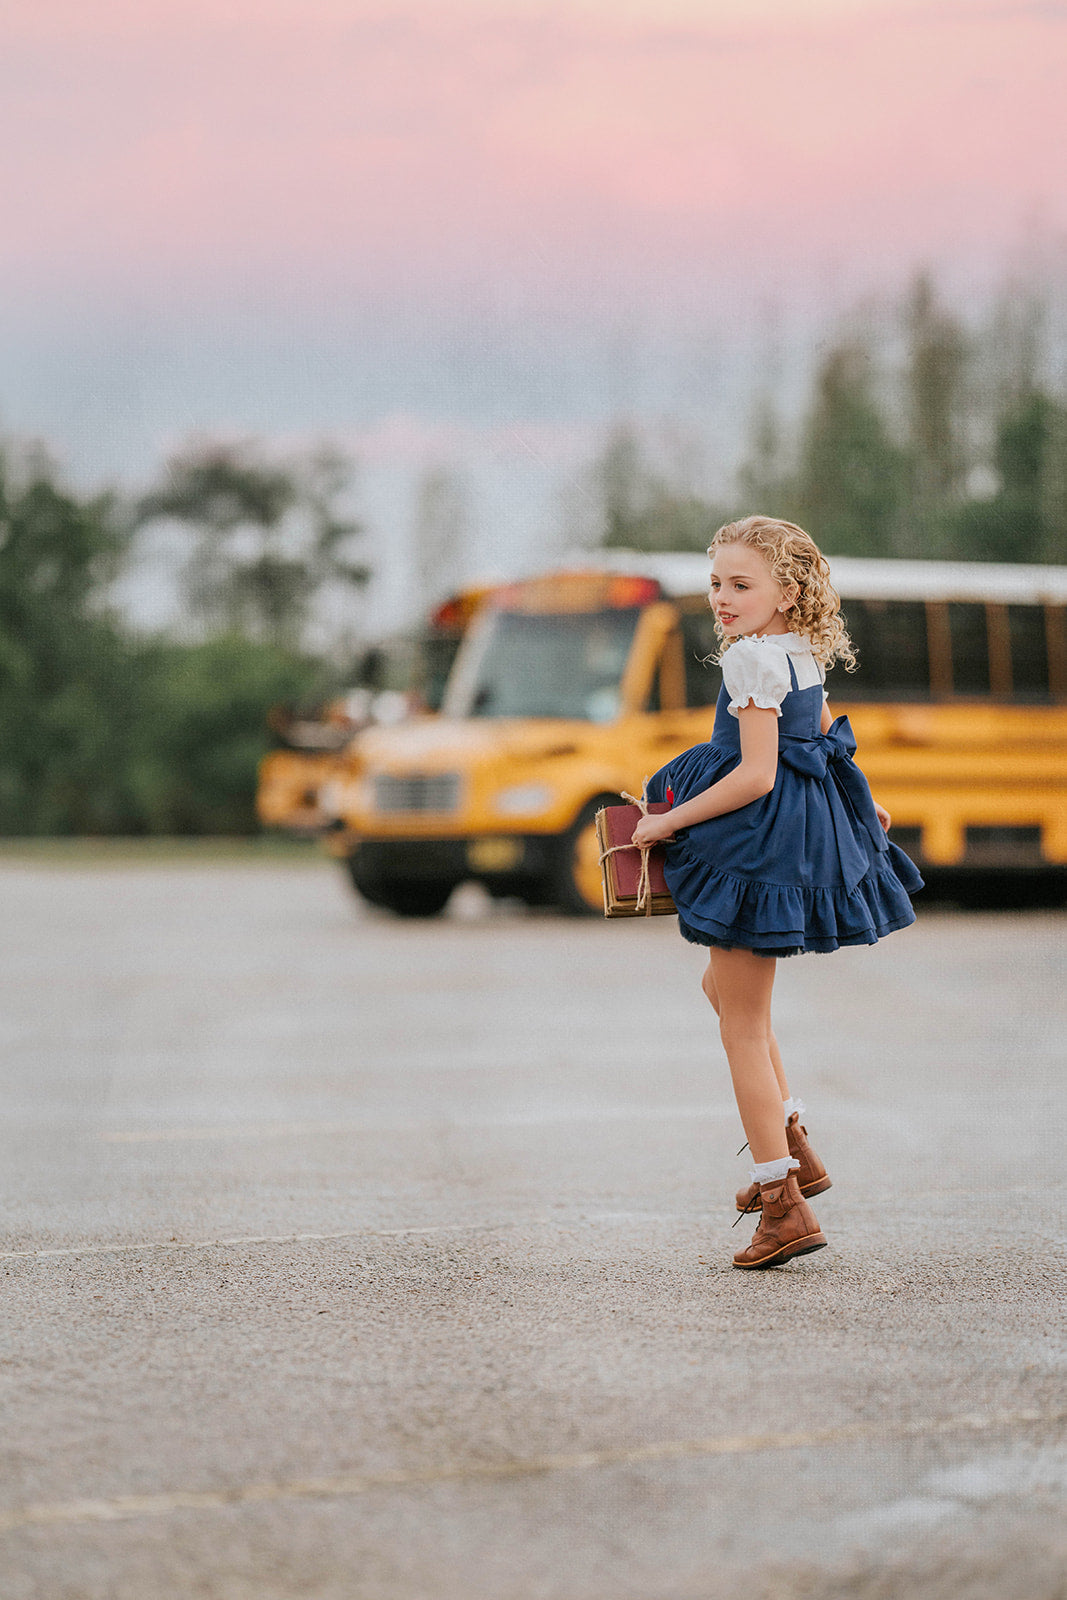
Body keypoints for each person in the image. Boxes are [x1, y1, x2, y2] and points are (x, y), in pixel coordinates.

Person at [633, 516, 923, 1270]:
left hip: (754, 840)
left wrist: (667, 820)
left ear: (786, 592)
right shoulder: (797, 651)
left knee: (740, 1024)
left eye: (739, 584)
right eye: (715, 584)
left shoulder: (750, 660)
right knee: (727, 995)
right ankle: (791, 1146)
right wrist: (866, 803)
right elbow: (822, 739)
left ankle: (780, 1202)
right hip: (791, 831)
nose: (720, 599)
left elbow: (757, 774)